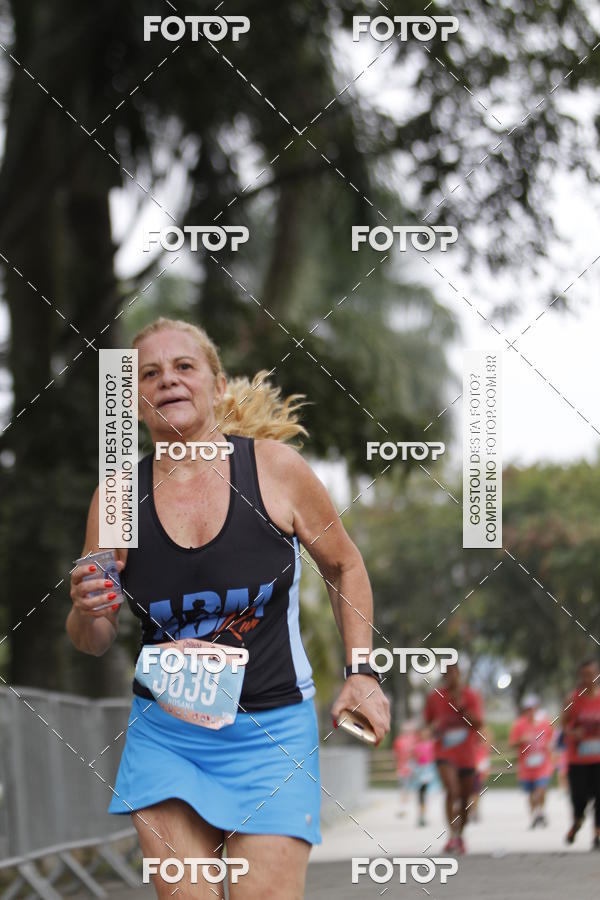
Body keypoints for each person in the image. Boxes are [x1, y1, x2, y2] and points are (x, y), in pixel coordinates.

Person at [67, 317, 390, 899]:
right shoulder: (116, 496)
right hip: (166, 736)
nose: (167, 380)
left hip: (272, 733)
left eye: (184, 367)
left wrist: (361, 672)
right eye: (149, 373)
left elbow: (346, 566)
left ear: (217, 386)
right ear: (135, 401)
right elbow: (93, 637)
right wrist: (88, 608)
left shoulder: (275, 470)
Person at [424, 662, 484, 854]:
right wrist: (432, 728)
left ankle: (460, 834)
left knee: (465, 798)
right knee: (452, 789)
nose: (450, 677)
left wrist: (463, 708)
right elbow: (427, 724)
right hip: (444, 752)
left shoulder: (471, 695)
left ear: (459, 674)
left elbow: (479, 723)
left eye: (453, 673)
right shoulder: (435, 697)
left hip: (466, 754)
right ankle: (451, 834)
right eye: (446, 673)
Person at [562, 658, 600, 849]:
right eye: (584, 675)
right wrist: (572, 732)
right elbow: (563, 726)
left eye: (591, 675)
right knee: (579, 797)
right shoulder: (572, 699)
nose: (588, 679)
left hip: (598, 758)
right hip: (578, 759)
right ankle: (577, 820)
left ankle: (597, 834)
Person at [509, 694, 554, 829]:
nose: (530, 711)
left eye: (533, 708)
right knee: (531, 793)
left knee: (541, 789)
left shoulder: (545, 723)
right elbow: (512, 743)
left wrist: (550, 750)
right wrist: (521, 740)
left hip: (543, 764)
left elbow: (551, 740)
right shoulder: (519, 725)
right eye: (528, 708)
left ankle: (540, 811)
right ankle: (534, 814)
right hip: (527, 766)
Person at [411, 727, 436, 827]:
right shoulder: (417, 746)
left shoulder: (433, 745)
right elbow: (414, 758)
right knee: (421, 795)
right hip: (420, 771)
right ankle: (422, 815)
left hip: (430, 771)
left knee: (425, 794)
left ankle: (423, 815)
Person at [393, 721, 417, 815]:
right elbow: (396, 755)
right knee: (404, 787)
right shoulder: (399, 741)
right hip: (403, 768)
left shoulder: (416, 740)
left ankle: (407, 807)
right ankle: (404, 808)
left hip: (413, 768)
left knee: (410, 788)